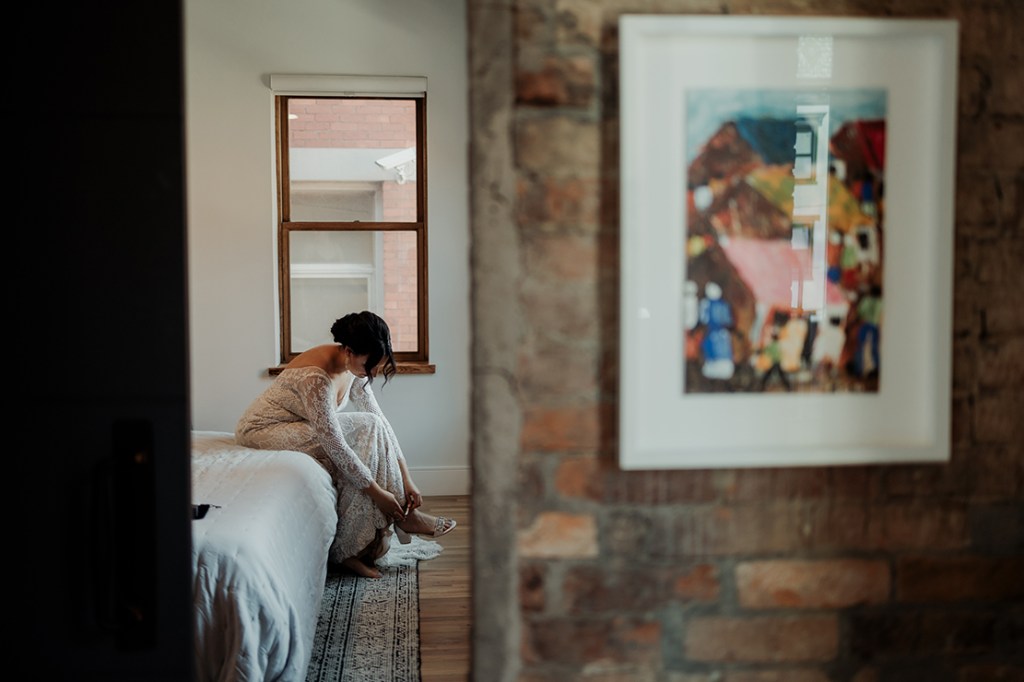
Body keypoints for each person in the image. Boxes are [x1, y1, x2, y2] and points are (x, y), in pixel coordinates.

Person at [235, 311, 456, 578]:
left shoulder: (353, 365)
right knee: (363, 432)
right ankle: (351, 549)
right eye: (370, 365)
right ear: (349, 351)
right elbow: (334, 444)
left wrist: (407, 478)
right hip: (263, 430)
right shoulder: (315, 377)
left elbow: (380, 421)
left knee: (372, 425)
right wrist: (378, 494)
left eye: (377, 365)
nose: (372, 372)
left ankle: (380, 533)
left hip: (299, 425)